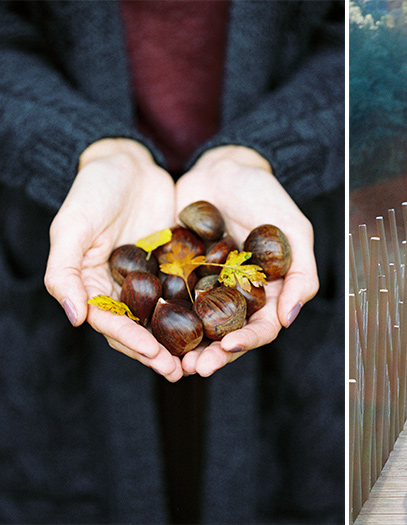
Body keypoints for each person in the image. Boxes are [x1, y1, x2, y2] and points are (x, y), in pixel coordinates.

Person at [0, 2, 343, 523]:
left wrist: (262, 150)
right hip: (56, 253)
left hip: (302, 269)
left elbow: (374, 42)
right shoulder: (179, 271)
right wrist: (87, 148)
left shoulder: (188, 272)